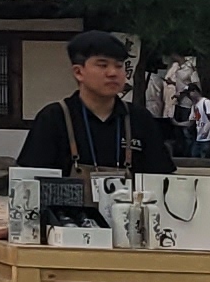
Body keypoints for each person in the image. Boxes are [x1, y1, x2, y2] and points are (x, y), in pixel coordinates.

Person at [15, 31, 184, 178]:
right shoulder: (53, 118)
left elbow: (160, 178)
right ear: (78, 72)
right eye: (102, 65)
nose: (113, 73)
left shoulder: (139, 119)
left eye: (119, 66)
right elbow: (31, 181)